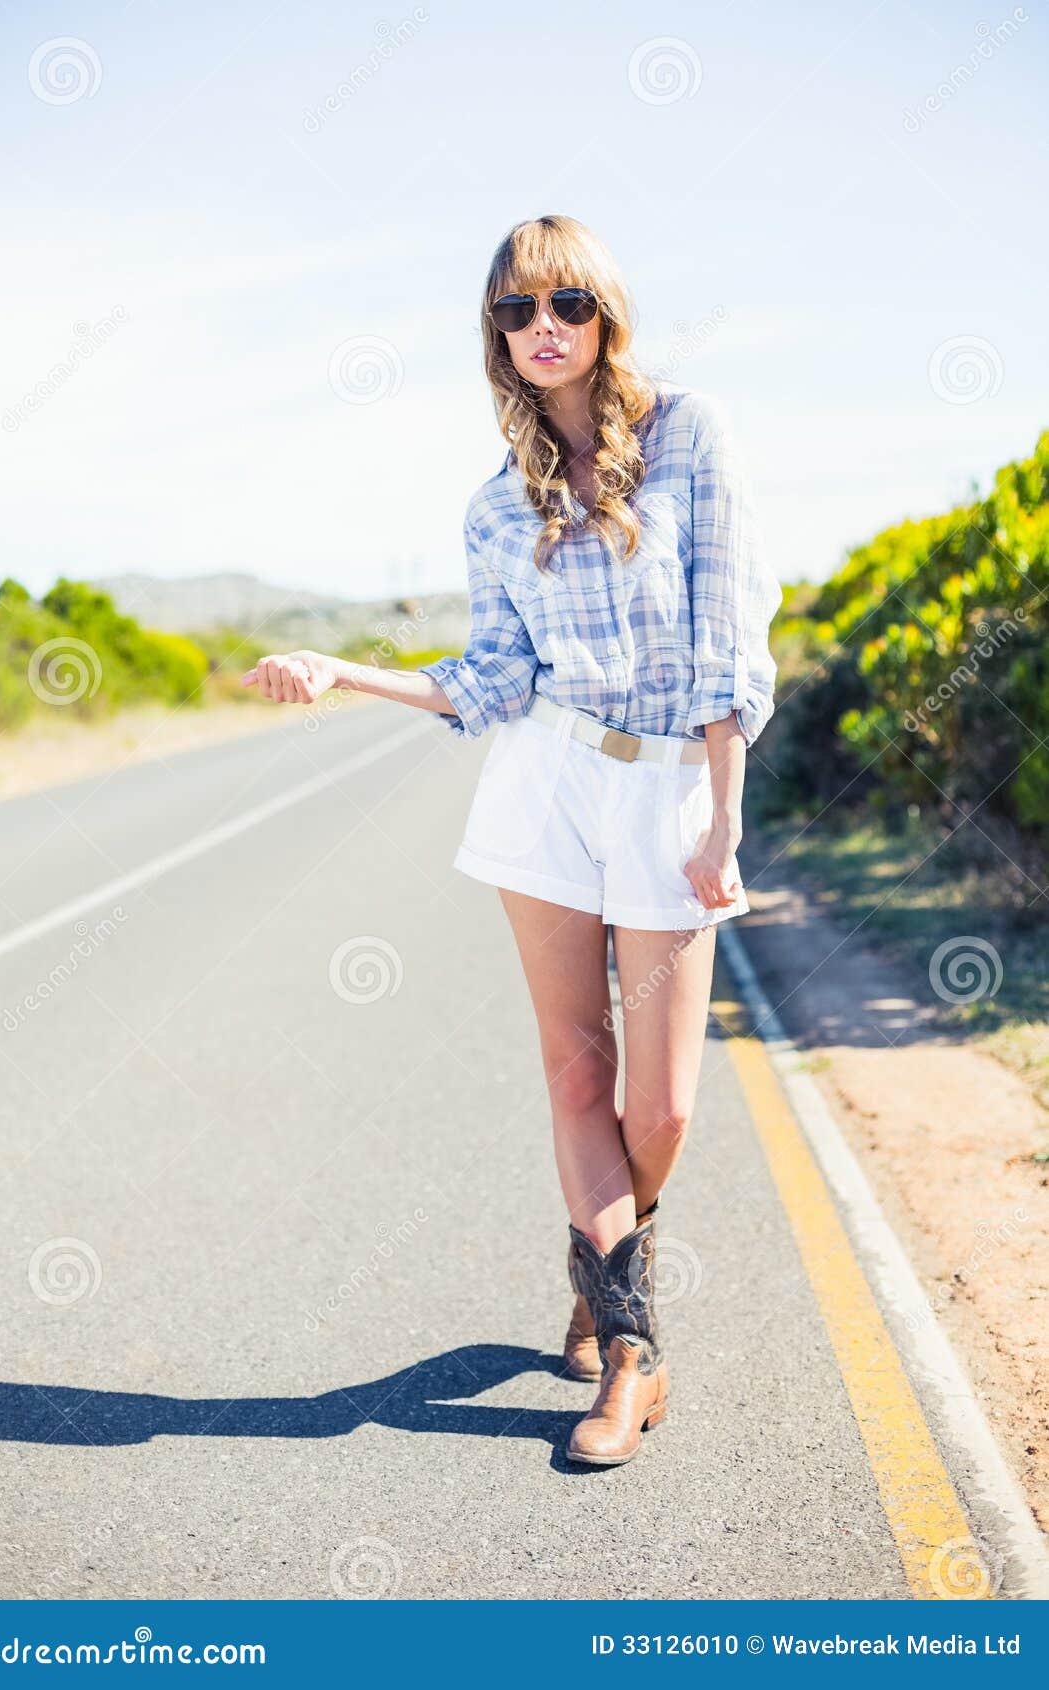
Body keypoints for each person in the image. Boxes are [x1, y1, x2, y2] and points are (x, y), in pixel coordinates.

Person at [240, 213, 782, 1468]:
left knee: (663, 1105)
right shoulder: (498, 507)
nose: (542, 330)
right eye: (515, 313)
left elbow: (727, 636)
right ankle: (632, 1359)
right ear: (496, 337)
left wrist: (721, 808)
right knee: (574, 1073)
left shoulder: (688, 438)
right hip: (544, 783)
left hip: (666, 790)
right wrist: (343, 669)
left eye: (565, 306)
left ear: (604, 315)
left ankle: (599, 1267)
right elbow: (491, 678)